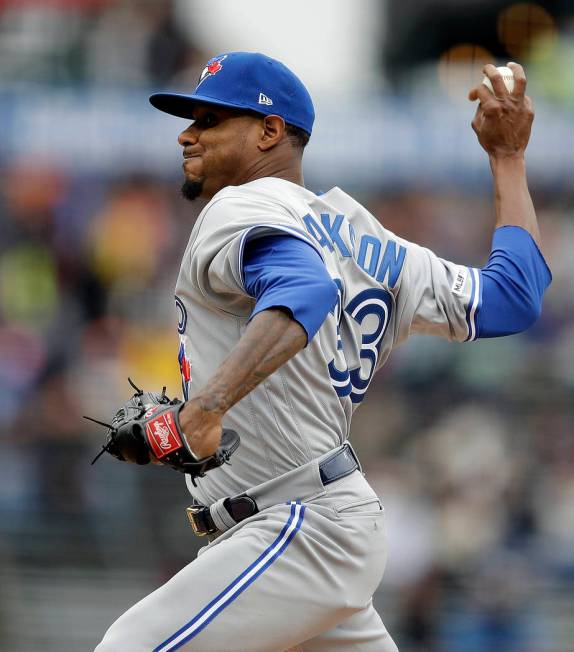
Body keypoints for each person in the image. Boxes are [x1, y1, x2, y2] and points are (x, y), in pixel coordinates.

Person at [95, 52, 551, 651]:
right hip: (316, 525)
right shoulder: (376, 244)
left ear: (269, 130)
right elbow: (512, 297)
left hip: (296, 526)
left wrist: (201, 411)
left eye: (208, 120)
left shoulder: (243, 204)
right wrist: (509, 160)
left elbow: (303, 289)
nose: (187, 134)